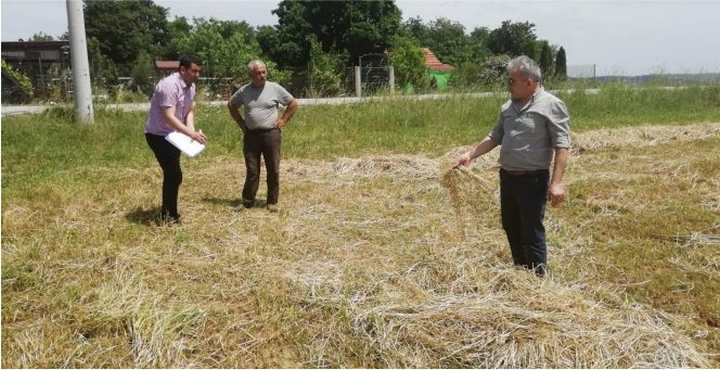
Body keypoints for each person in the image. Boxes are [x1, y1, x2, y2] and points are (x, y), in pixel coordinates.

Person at [456, 55, 571, 276]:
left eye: (512, 81)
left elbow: (562, 145)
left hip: (533, 179)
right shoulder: (508, 106)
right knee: (510, 225)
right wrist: (471, 154)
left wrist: (556, 183)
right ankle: (520, 272)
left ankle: (537, 278)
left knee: (532, 230)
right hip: (508, 177)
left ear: (529, 82)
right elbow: (495, 136)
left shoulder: (551, 105)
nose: (508, 85)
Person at [227, 60, 299, 212]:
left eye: (263, 72)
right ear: (251, 75)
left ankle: (272, 202)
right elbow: (231, 105)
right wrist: (241, 123)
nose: (262, 75)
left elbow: (293, 103)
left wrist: (283, 120)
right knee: (252, 170)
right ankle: (247, 201)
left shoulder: (275, 88)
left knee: (273, 168)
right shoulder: (244, 91)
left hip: (271, 135)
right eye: (258, 73)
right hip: (251, 135)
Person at [144, 54, 207, 224]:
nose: (197, 75)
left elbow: (189, 111)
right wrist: (190, 134)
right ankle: (169, 216)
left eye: (199, 71)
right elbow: (168, 116)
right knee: (174, 174)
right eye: (194, 71)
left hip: (175, 135)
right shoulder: (169, 86)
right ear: (182, 69)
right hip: (158, 135)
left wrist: (191, 130)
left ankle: (169, 212)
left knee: (173, 174)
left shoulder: (190, 86)